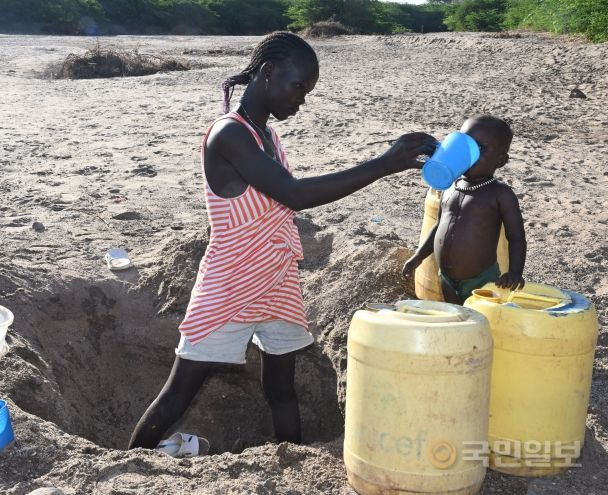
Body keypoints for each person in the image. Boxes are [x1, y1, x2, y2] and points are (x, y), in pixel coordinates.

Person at [129, 31, 437, 451]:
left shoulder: (268, 137)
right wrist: (383, 164)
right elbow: (293, 194)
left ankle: (290, 460)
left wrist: (389, 162)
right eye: (299, 87)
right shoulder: (228, 134)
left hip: (277, 280)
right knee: (179, 392)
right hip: (229, 284)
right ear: (268, 73)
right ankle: (133, 466)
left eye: (307, 91)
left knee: (282, 388)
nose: (302, 100)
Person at [403, 115, 527, 304]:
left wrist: (515, 273)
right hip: (446, 278)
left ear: (500, 160)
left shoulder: (499, 194)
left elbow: (517, 237)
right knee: (458, 321)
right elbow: (438, 226)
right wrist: (418, 256)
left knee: (480, 321)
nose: (470, 154)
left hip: (481, 281)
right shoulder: (449, 185)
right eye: (465, 145)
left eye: (481, 148)